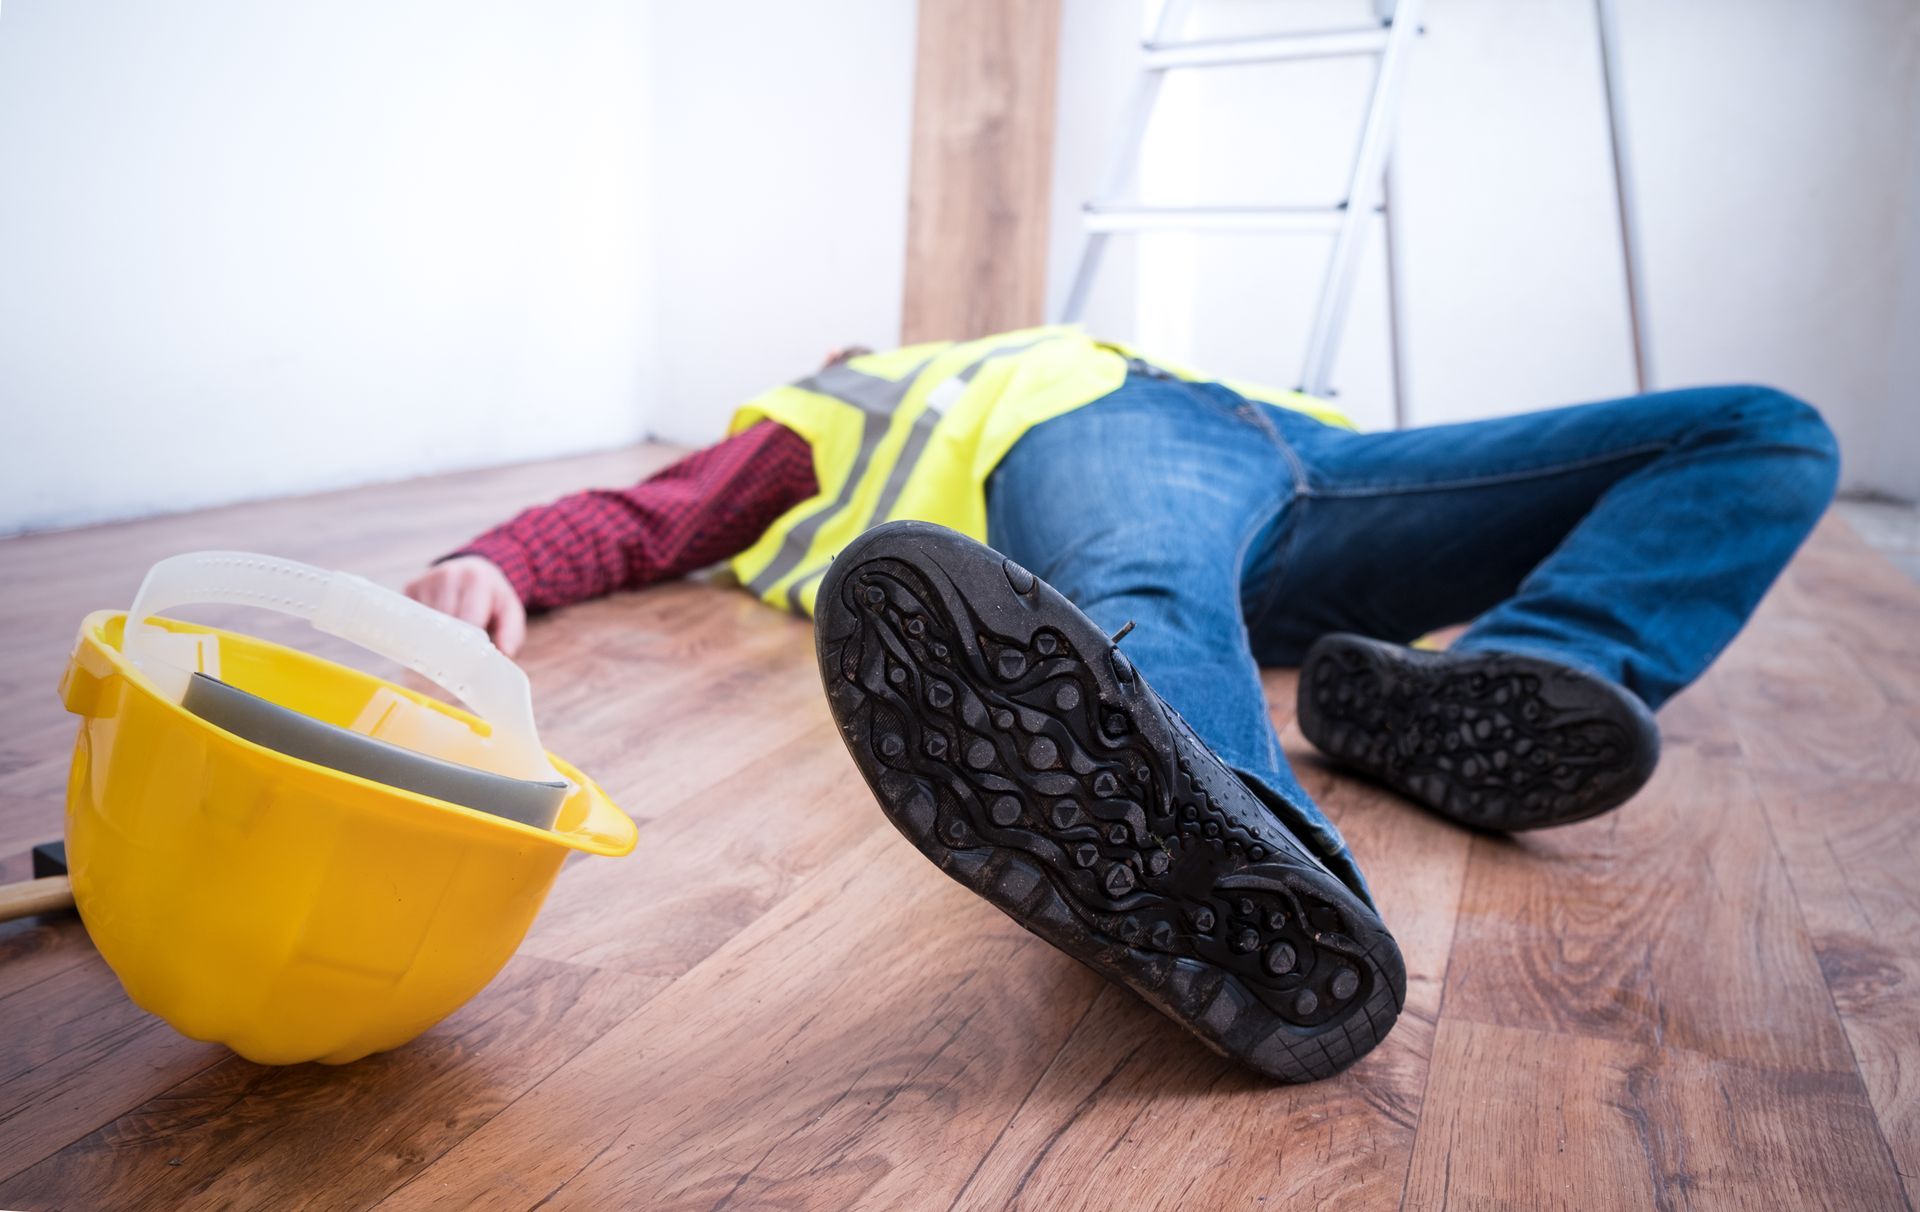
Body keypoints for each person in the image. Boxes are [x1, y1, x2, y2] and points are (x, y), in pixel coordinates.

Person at [407, 326, 1839, 1082]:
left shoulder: (1107, 346)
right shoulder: (824, 407)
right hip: (1112, 453)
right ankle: (1242, 846)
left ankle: (1500, 673)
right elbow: (646, 512)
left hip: (1312, 471)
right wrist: (499, 557)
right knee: (1141, 578)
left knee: (1764, 430)